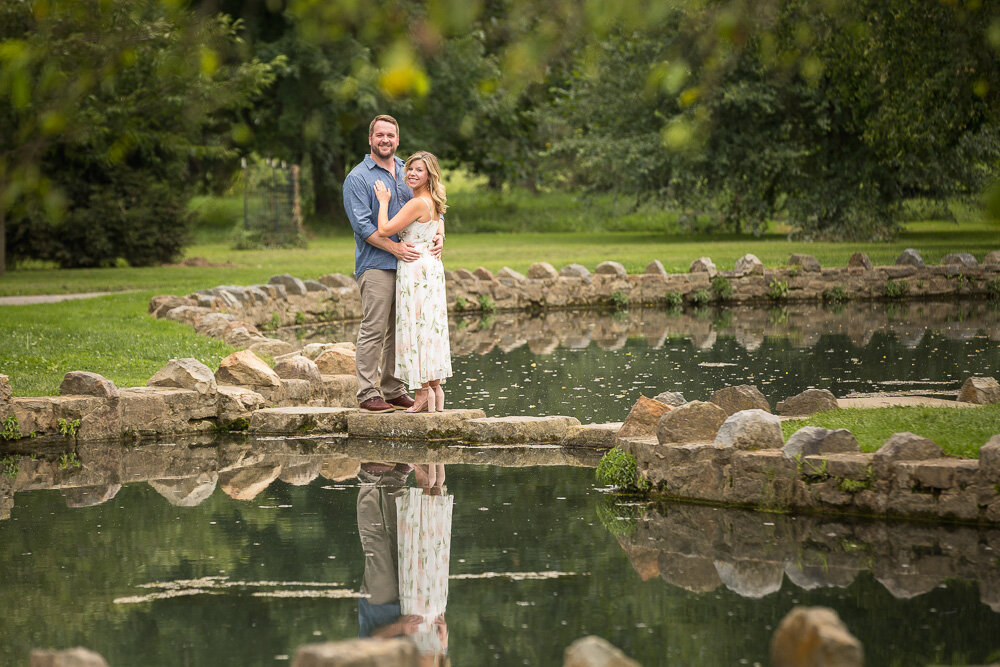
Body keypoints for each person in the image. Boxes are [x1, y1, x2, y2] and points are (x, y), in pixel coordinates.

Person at [342, 115, 442, 412]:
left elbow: (430, 203)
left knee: (401, 328)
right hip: (377, 264)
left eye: (390, 135)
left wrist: (440, 233)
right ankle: (368, 393)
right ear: (370, 139)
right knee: (374, 328)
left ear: (397, 139)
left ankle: (392, 388)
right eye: (379, 135)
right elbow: (363, 226)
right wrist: (395, 248)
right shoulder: (357, 178)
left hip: (410, 267)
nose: (385, 140)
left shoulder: (406, 169)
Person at [373, 151, 453, 412]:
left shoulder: (417, 202)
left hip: (415, 268)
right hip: (430, 267)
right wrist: (441, 235)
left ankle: (421, 392)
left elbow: (385, 230)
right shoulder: (435, 200)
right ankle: (435, 390)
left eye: (419, 170)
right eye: (409, 169)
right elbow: (438, 225)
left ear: (429, 174)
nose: (411, 173)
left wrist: (383, 201)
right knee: (430, 327)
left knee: (417, 328)